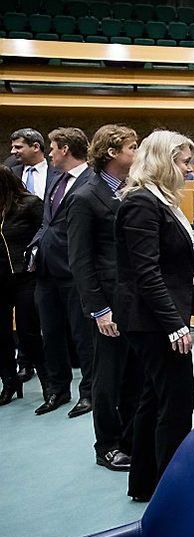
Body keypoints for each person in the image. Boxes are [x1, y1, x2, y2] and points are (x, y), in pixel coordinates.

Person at [115, 130, 194, 502]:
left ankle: (146, 482)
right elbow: (146, 272)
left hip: (158, 318)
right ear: (164, 162)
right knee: (178, 401)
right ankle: (175, 488)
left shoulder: (160, 200)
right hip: (153, 322)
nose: (188, 169)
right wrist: (174, 324)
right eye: (183, 162)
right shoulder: (141, 203)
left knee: (154, 398)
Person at [67, 124, 142, 472]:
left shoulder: (133, 190)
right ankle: (107, 445)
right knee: (108, 378)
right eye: (132, 147)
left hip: (134, 301)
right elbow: (81, 261)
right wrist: (100, 309)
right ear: (111, 153)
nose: (137, 152)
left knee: (134, 375)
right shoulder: (85, 197)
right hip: (108, 305)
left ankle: (130, 438)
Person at [30, 127, 95, 417]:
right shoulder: (55, 179)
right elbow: (48, 221)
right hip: (45, 269)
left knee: (83, 336)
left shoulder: (92, 181)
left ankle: (90, 392)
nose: (51, 153)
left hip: (74, 270)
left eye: (53, 148)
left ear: (65, 149)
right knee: (51, 333)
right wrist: (36, 246)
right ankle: (57, 389)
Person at [0, 166, 43, 405]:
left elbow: (44, 234)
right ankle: (9, 381)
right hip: (0, 280)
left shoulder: (29, 204)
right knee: (1, 336)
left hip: (25, 277)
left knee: (28, 332)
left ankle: (50, 384)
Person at [10, 128, 58, 201]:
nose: (12, 151)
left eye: (18, 147)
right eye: (13, 147)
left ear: (36, 147)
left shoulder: (59, 172)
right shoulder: (11, 173)